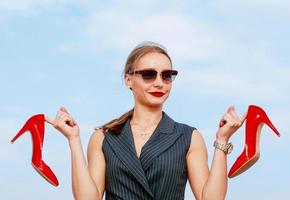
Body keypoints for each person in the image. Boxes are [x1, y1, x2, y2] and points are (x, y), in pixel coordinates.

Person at [46, 41, 247, 200]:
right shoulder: (103, 138)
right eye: (149, 75)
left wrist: (223, 141)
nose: (159, 83)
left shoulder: (188, 137)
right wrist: (73, 140)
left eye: (167, 75)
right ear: (128, 79)